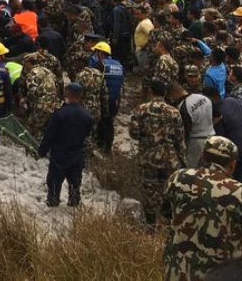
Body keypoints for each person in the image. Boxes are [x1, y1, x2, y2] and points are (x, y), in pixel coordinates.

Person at [163, 136, 242, 280]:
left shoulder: (177, 179)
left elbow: (166, 213)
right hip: (222, 275)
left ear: (202, 156)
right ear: (232, 164)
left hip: (176, 271)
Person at [129, 80, 184, 224]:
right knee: (170, 191)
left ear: (150, 92)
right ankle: (168, 223)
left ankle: (151, 224)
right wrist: (182, 160)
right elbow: (180, 139)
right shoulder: (174, 112)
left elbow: (133, 133)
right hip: (169, 159)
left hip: (148, 159)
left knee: (149, 192)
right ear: (165, 93)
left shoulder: (140, 110)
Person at [38, 82, 95, 207]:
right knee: (75, 185)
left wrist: (42, 151)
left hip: (59, 155)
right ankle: (73, 208)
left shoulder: (59, 114)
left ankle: (53, 204)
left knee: (54, 183)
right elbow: (87, 136)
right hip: (77, 155)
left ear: (67, 93)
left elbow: (49, 135)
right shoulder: (88, 117)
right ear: (80, 96)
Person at [203, 86, 242, 182]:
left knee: (231, 180)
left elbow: (220, 138)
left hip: (235, 149)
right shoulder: (232, 100)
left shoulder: (219, 113)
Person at [90, 42, 124, 153]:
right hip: (115, 99)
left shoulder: (101, 65)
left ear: (100, 53)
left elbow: (93, 79)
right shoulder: (119, 65)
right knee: (109, 121)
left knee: (101, 121)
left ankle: (101, 144)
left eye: (96, 52)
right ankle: (108, 145)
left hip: (103, 99)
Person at [171, 83, 215, 168]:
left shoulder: (184, 106)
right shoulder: (204, 98)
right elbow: (217, 115)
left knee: (192, 170)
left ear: (175, 93)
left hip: (196, 142)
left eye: (172, 96)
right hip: (211, 138)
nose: (172, 99)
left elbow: (186, 131)